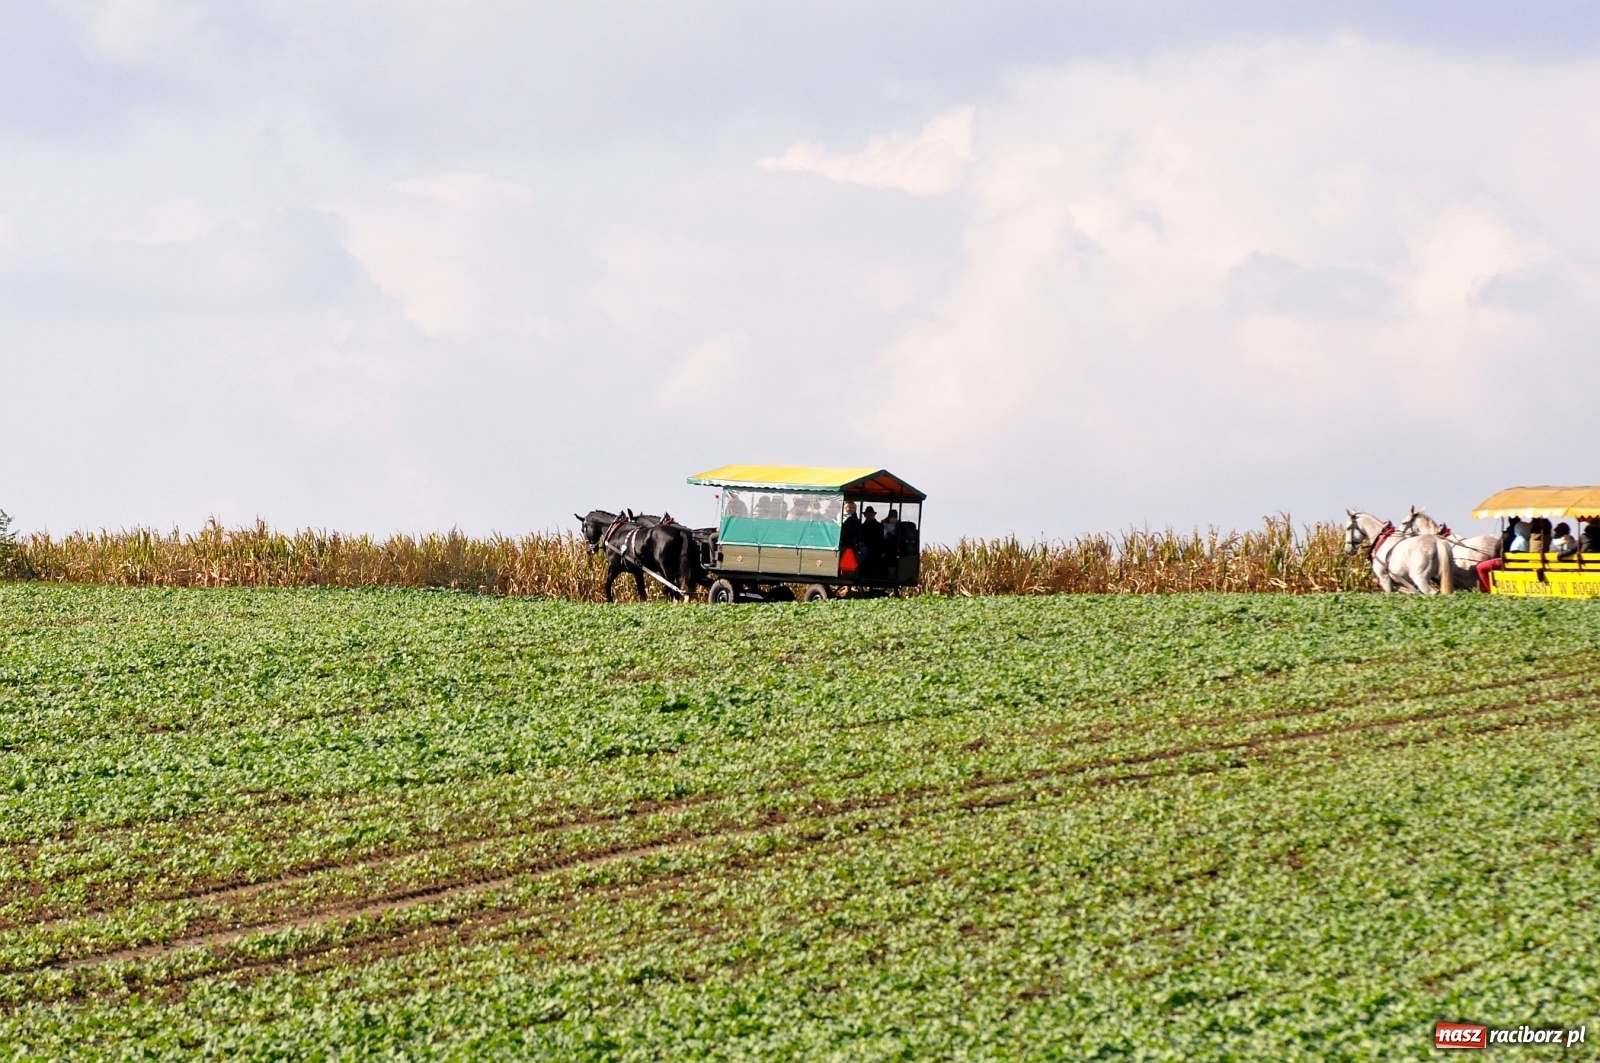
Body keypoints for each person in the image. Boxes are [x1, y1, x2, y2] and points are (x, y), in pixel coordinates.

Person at [860, 505, 884, 577]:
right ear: (865, 515)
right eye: (868, 514)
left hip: (875, 548)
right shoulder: (862, 526)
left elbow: (880, 539)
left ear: (874, 515)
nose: (869, 516)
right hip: (863, 547)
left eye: (871, 514)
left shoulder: (879, 526)